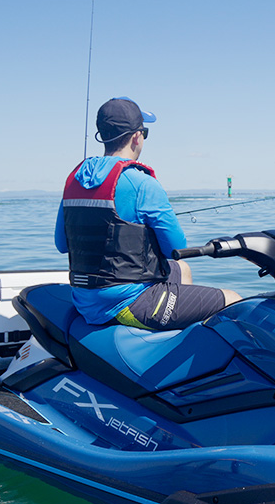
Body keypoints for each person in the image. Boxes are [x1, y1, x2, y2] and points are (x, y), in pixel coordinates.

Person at [55, 97, 239, 330]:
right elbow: (176, 248)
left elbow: (62, 244)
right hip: (124, 302)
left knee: (182, 270)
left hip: (85, 298)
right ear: (136, 137)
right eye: (145, 132)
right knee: (233, 300)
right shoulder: (142, 184)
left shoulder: (74, 181)